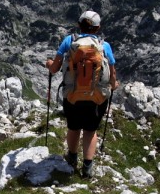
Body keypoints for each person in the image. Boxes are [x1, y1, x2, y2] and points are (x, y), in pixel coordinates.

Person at [45, 10, 119, 177]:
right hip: (97, 98)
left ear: (78, 25)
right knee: (90, 131)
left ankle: (71, 158)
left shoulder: (69, 41)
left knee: (73, 127)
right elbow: (112, 75)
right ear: (98, 27)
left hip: (73, 95)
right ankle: (87, 167)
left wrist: (48, 63)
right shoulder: (104, 46)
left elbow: (55, 68)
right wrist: (114, 85)